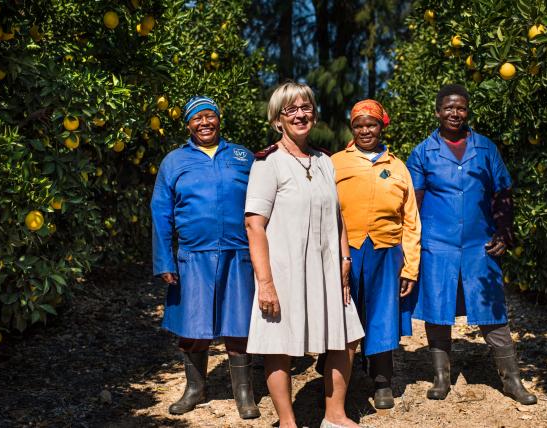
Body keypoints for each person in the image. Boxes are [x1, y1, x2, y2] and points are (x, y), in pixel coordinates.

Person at [405, 84, 537, 405]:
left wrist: (503, 231)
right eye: (449, 108)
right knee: (438, 311)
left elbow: (502, 192)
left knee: (491, 309)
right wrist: (412, 246)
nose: (455, 113)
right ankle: (441, 377)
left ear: (467, 111)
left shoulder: (486, 148)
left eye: (461, 108)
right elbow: (413, 204)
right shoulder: (423, 152)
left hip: (480, 244)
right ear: (437, 112)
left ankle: (512, 379)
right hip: (437, 245)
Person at [244, 81, 365, 428]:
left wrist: (344, 262)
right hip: (284, 271)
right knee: (278, 344)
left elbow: (338, 218)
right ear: (278, 119)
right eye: (291, 109)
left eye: (306, 107)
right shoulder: (268, 163)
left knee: (348, 335)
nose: (300, 114)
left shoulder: (325, 161)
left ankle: (335, 416)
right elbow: (254, 226)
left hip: (328, 270)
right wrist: (265, 283)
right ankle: (288, 422)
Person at [151, 96, 260, 418]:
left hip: (238, 254)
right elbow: (160, 212)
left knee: (238, 325)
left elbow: (263, 203)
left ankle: (244, 392)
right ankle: (196, 389)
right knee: (192, 326)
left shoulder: (242, 156)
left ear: (219, 120)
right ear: (188, 125)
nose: (204, 123)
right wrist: (164, 261)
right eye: (197, 118)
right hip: (193, 256)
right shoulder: (174, 161)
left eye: (210, 116)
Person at [329, 99, 421, 409]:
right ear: (351, 128)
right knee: (343, 311)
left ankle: (382, 378)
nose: (365, 129)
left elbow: (411, 220)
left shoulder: (397, 166)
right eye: (359, 125)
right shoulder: (336, 162)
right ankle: (339, 375)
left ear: (382, 126)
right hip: (347, 250)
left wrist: (410, 267)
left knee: (383, 313)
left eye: (371, 124)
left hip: (385, 250)